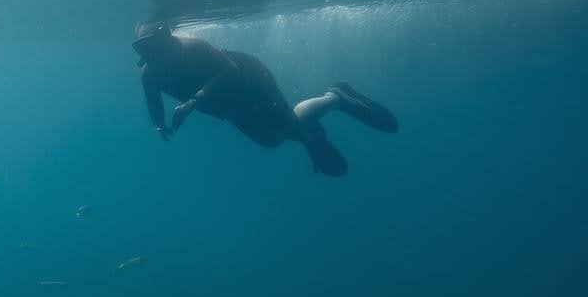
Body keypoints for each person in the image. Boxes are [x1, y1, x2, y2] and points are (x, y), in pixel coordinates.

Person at [132, 21, 398, 177]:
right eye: (143, 47)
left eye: (152, 44)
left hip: (250, 81)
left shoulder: (191, 47)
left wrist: (193, 102)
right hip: (229, 105)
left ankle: (335, 98)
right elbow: (152, 99)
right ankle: (308, 134)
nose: (150, 52)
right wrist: (158, 123)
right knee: (270, 139)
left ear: (165, 38)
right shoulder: (150, 74)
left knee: (287, 125)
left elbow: (231, 70)